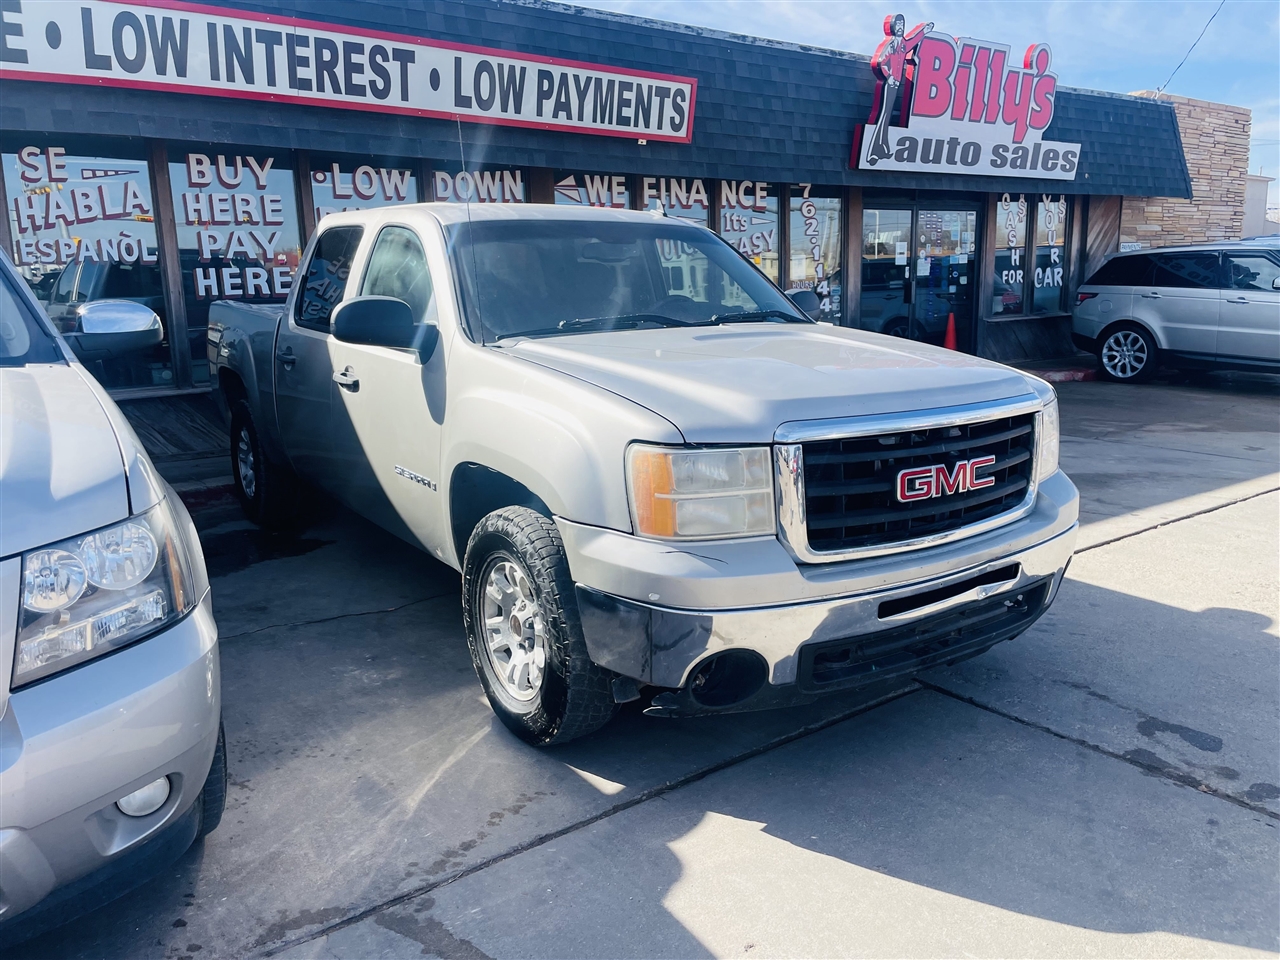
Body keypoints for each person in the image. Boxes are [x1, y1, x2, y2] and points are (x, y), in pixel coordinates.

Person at [866, 15, 932, 166]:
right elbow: (881, 62)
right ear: (892, 26)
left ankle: (882, 147)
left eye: (902, 23)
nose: (901, 26)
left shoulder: (902, 44)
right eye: (898, 24)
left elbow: (912, 42)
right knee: (882, 116)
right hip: (889, 84)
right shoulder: (890, 45)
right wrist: (889, 76)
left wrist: (924, 31)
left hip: (895, 84)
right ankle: (873, 151)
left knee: (886, 116)